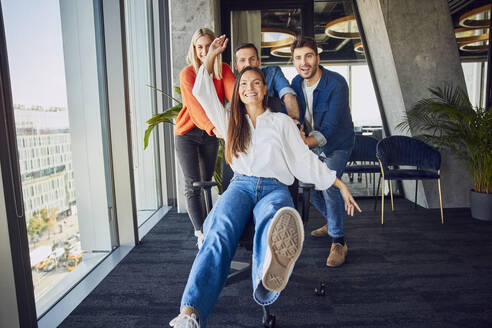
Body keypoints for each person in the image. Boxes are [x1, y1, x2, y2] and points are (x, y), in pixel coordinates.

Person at [169, 35, 361, 328]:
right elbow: (203, 91)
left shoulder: (282, 122)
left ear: (265, 89)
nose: (249, 88)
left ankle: (265, 279)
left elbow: (304, 161)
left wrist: (340, 185)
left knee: (273, 222)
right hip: (241, 186)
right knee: (219, 230)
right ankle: (189, 314)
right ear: (239, 91)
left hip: (274, 188)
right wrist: (212, 57)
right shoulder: (229, 121)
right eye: (243, 84)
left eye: (256, 83)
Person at [290, 36, 355, 267]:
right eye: (298, 58)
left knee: (328, 184)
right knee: (302, 185)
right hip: (309, 142)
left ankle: (338, 241)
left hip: (336, 144)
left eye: (308, 56)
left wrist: (303, 142)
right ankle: (331, 219)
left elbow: (330, 127)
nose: (303, 62)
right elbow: (295, 117)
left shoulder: (336, 83)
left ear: (317, 57)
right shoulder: (295, 83)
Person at [174, 28, 235, 248]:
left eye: (208, 46)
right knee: (193, 184)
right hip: (188, 134)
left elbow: (234, 96)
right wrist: (215, 129)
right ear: (194, 49)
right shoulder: (187, 74)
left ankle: (209, 225)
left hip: (210, 134)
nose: (203, 51)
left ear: (215, 46)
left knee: (207, 182)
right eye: (199, 47)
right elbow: (196, 108)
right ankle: (200, 233)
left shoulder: (224, 70)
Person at [234, 43, 300, 119]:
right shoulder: (233, 83)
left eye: (252, 59)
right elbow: (231, 106)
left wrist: (294, 122)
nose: (248, 64)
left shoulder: (272, 72)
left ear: (258, 62)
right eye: (242, 60)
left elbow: (288, 95)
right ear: (236, 65)